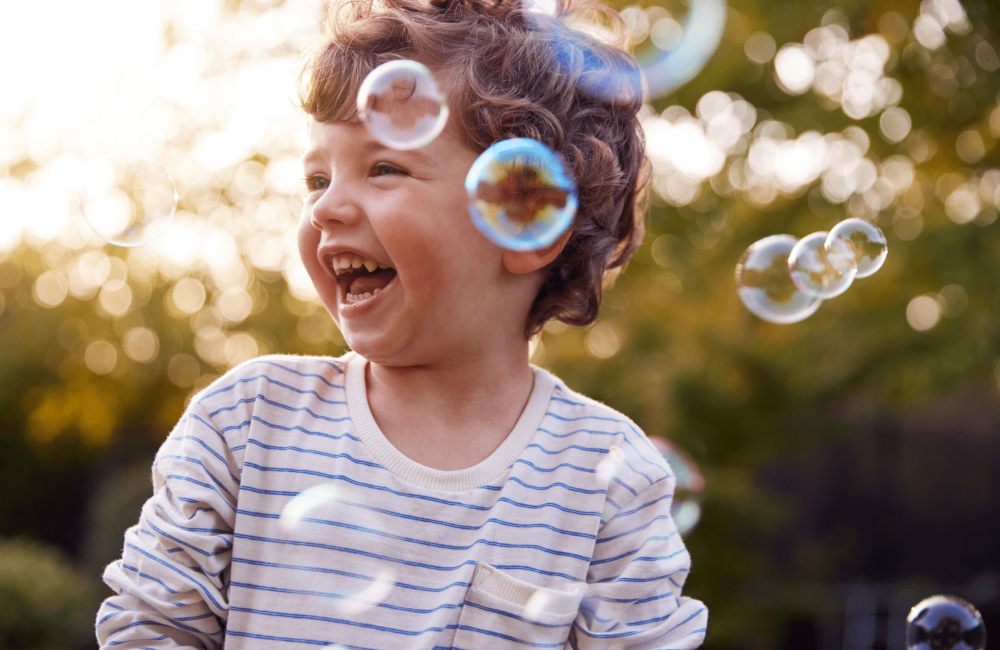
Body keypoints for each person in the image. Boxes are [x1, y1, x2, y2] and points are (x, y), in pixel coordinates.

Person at [95, 0, 709, 647]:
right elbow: (148, 628)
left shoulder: (610, 484)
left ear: (527, 216)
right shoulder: (245, 425)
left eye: (384, 167)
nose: (327, 206)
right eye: (316, 178)